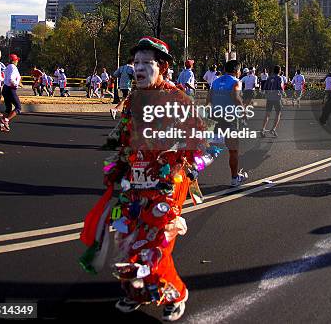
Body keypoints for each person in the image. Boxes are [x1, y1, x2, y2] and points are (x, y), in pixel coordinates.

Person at [79, 36, 217, 321]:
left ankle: (176, 293)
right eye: (136, 62)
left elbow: (203, 141)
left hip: (168, 186)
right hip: (135, 182)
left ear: (163, 67)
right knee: (129, 241)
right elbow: (126, 139)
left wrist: (178, 165)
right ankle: (137, 293)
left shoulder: (178, 98)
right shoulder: (133, 99)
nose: (138, 68)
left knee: (155, 244)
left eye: (147, 63)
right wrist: (118, 169)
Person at [208, 59, 248, 187]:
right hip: (230, 120)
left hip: (216, 118)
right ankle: (235, 179)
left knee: (212, 150)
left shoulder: (215, 81)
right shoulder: (236, 82)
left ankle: (194, 171)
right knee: (233, 151)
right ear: (237, 71)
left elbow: (208, 99)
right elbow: (236, 97)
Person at [0, 54, 22, 132]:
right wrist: (17, 84)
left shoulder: (8, 67)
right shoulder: (13, 67)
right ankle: (6, 120)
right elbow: (11, 79)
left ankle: (1, 124)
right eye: (17, 60)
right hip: (10, 89)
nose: (17, 62)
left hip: (5, 88)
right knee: (18, 108)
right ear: (14, 60)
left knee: (8, 108)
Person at [261, 65, 284, 137]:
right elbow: (280, 88)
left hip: (269, 98)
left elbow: (265, 88)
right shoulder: (279, 78)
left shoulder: (269, 78)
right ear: (279, 71)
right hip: (277, 98)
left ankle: (263, 129)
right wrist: (283, 94)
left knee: (267, 114)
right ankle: (273, 129)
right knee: (278, 113)